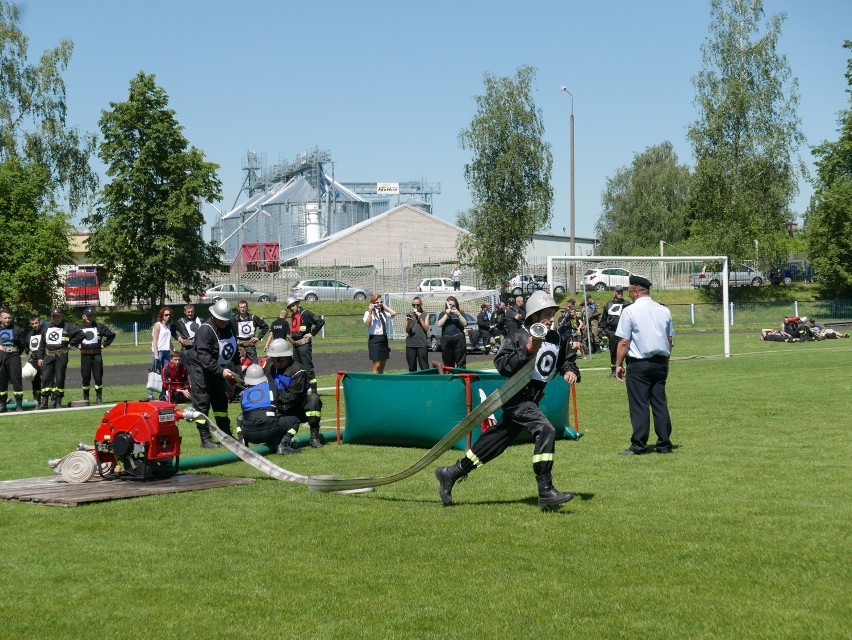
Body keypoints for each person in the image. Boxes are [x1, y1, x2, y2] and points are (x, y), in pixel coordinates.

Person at [434, 290, 581, 510]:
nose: (551, 318)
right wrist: (528, 348)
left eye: (552, 314)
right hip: (516, 397)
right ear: (533, 315)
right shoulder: (518, 336)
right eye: (546, 314)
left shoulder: (556, 338)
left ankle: (451, 473)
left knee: (493, 444)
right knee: (546, 430)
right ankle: (545, 491)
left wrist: (570, 370)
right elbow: (502, 365)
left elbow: (566, 360)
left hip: (532, 400)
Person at [614, 275, 674, 455]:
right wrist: (667, 363)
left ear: (637, 292)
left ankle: (639, 445)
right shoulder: (664, 310)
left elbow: (624, 342)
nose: (629, 295)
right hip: (660, 362)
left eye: (630, 291)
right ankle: (664, 443)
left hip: (639, 364)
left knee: (639, 404)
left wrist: (618, 364)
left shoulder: (630, 311)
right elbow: (669, 340)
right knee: (659, 403)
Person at [187, 298, 239, 448]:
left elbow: (233, 347)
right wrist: (221, 371)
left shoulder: (230, 326)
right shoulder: (205, 330)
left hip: (218, 370)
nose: (224, 323)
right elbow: (204, 357)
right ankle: (205, 439)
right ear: (214, 317)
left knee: (220, 403)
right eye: (221, 320)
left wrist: (237, 367)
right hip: (201, 371)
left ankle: (225, 435)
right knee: (202, 404)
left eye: (226, 320)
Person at [263, 338, 324, 450]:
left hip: (296, 408)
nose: (271, 360)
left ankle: (314, 437)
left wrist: (274, 399)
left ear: (283, 358)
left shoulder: (298, 371)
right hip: (277, 409)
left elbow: (292, 396)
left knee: (313, 399)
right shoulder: (269, 367)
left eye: (274, 358)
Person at [237, 363, 293, 453]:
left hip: (249, 434)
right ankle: (284, 445)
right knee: (294, 421)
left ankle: (242, 441)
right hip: (271, 430)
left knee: (240, 418)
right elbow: (281, 399)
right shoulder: (271, 386)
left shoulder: (244, 394)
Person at [36, 308, 82, 409]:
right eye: (54, 316)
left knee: (60, 378)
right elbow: (42, 344)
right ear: (51, 317)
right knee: (46, 378)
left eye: (58, 316)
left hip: (61, 355)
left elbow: (81, 334)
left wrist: (71, 343)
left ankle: (57, 401)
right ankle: (44, 402)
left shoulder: (68, 327)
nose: (56, 318)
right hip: (48, 356)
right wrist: (40, 357)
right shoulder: (46, 328)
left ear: (62, 316)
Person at [286, 296, 325, 393]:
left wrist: (312, 333)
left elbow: (320, 321)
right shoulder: (293, 316)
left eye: (293, 306)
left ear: (297, 304)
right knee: (298, 368)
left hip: (304, 345)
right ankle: (302, 388)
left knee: (307, 367)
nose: (291, 308)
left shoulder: (306, 313)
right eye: (290, 307)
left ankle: (314, 390)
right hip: (296, 346)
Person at [78, 307, 116, 404]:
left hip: (97, 356)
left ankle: (99, 397)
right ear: (83, 317)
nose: (90, 318)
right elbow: (71, 338)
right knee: (86, 377)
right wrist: (76, 345)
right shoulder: (79, 328)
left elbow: (111, 335)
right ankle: (85, 397)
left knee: (98, 377)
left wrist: (104, 344)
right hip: (85, 356)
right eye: (88, 316)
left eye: (91, 316)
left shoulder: (99, 327)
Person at [0, 309, 27, 412]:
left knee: (16, 380)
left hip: (14, 356)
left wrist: (15, 353)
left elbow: (22, 345)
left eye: (9, 318)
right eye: (5, 318)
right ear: (0, 318)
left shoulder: (17, 329)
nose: (7, 320)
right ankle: (2, 405)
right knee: (1, 381)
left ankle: (19, 404)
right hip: (1, 357)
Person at [600, 286, 631, 377]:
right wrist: (605, 331)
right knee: (613, 352)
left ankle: (629, 370)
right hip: (613, 332)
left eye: (621, 291)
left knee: (627, 351)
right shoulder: (608, 304)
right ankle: (614, 370)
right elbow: (603, 319)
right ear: (614, 293)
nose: (620, 293)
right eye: (618, 292)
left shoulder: (627, 304)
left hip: (625, 332)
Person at [364, 294, 397, 373]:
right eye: (377, 302)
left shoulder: (383, 313)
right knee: (377, 364)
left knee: (383, 363)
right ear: (373, 303)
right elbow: (367, 324)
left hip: (383, 339)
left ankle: (380, 381)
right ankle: (373, 383)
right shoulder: (368, 313)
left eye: (381, 301)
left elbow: (394, 313)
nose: (379, 303)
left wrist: (383, 306)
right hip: (375, 340)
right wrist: (370, 311)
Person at [436, 295, 468, 369]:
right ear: (447, 305)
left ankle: (461, 376)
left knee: (461, 361)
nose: (452, 306)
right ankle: (449, 377)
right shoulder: (443, 313)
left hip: (458, 338)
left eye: (453, 304)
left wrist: (458, 314)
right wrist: (447, 314)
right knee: (448, 362)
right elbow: (439, 324)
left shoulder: (460, 313)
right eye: (450, 304)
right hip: (446, 339)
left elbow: (465, 323)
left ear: (456, 304)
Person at [234, 299, 269, 363]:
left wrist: (258, 337)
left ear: (247, 308)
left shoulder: (253, 317)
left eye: (244, 307)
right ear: (238, 308)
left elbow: (265, 327)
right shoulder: (234, 319)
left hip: (250, 345)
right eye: (241, 307)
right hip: (239, 345)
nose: (242, 309)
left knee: (255, 363)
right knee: (237, 363)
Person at [150, 307, 173, 399]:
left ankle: (164, 393)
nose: (168, 316)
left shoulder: (169, 326)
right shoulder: (158, 325)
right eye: (166, 315)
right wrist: (156, 354)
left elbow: (168, 340)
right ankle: (150, 394)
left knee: (166, 373)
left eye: (169, 315)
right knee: (155, 373)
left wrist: (173, 349)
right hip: (158, 351)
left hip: (166, 351)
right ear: (162, 315)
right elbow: (155, 340)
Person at [24, 314, 45, 407]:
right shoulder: (30, 334)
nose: (34, 325)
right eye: (32, 324)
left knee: (47, 380)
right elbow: (26, 348)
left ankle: (47, 400)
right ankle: (37, 400)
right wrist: (28, 352)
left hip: (44, 359)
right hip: (33, 361)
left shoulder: (45, 331)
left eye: (36, 323)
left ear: (40, 322)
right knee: (35, 381)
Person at [404, 296, 430, 371]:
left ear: (421, 304)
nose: (415, 306)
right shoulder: (409, 314)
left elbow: (426, 329)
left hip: (421, 343)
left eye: (417, 305)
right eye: (413, 305)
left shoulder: (425, 314)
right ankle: (413, 381)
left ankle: (425, 381)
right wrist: (408, 323)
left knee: (424, 367)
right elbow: (407, 330)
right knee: (412, 367)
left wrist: (420, 319)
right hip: (411, 344)